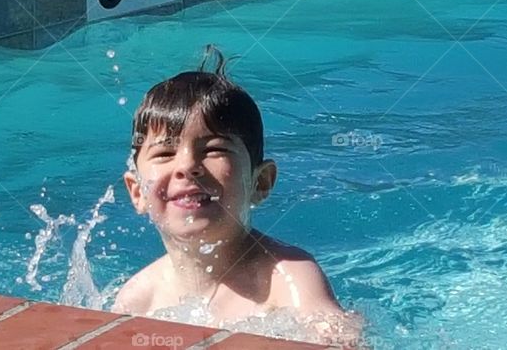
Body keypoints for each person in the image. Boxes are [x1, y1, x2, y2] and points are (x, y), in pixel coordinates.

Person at [112, 46, 360, 344]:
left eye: (214, 150)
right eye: (165, 153)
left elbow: (344, 342)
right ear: (137, 192)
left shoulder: (289, 279)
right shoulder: (139, 298)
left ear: (261, 183)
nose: (187, 166)